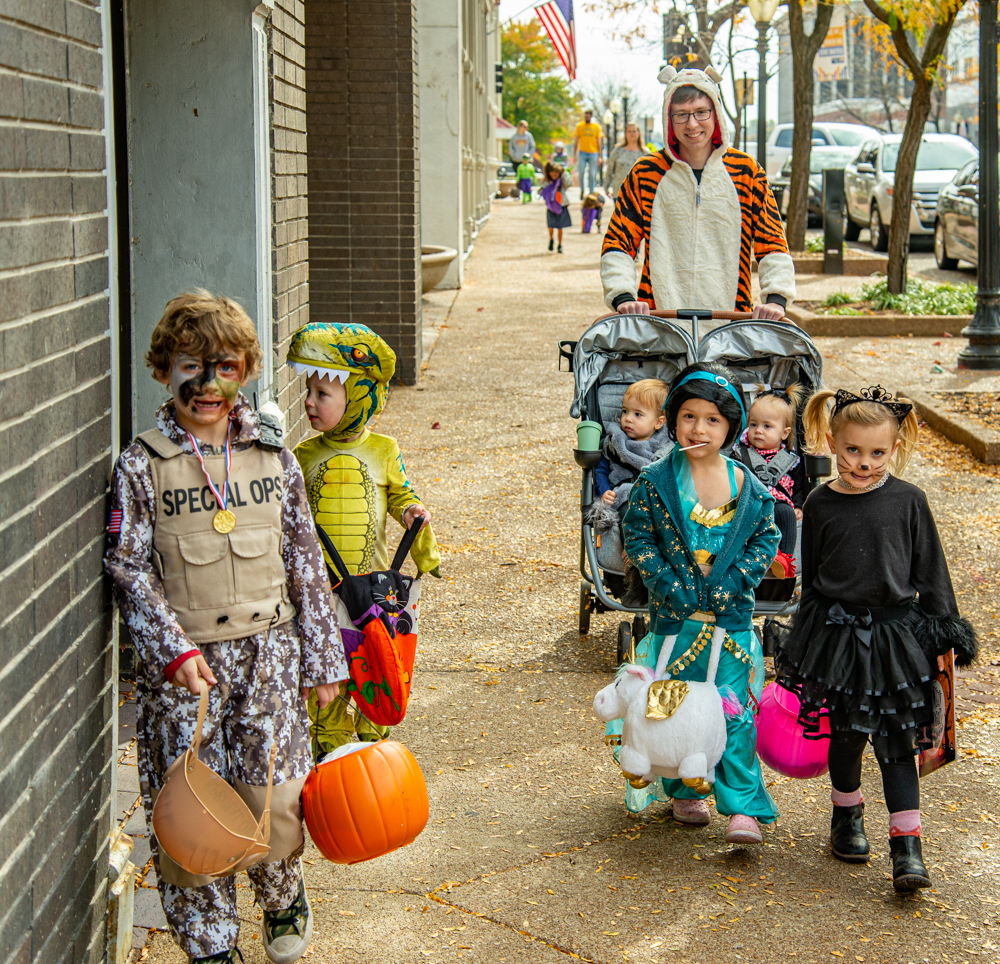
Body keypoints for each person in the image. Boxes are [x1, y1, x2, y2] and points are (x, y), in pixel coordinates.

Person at [105, 291, 347, 964]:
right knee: (193, 815)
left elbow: (304, 559)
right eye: (190, 365)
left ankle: (282, 895)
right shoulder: (142, 464)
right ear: (163, 369)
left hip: (269, 659)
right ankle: (211, 946)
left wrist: (324, 661)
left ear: (244, 373)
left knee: (272, 797)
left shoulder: (273, 457)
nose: (207, 384)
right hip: (189, 675)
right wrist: (170, 650)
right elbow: (127, 568)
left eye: (225, 367)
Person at [776, 385, 978, 892]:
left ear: (894, 449)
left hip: (895, 639)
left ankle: (907, 847)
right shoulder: (820, 503)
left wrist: (943, 632)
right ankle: (846, 818)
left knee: (896, 744)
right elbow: (814, 575)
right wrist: (809, 640)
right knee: (844, 737)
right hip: (837, 637)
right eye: (852, 451)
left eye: (877, 453)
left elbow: (931, 571)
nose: (863, 463)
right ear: (831, 440)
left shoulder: (910, 500)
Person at [610, 363, 780, 840]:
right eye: (688, 416)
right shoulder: (654, 482)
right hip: (674, 620)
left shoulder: (748, 486)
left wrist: (739, 580)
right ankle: (685, 791)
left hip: (731, 623)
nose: (699, 428)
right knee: (672, 704)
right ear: (671, 418)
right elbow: (638, 537)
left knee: (731, 712)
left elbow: (766, 538)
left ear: (731, 427)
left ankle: (742, 806)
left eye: (712, 419)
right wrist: (666, 582)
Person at [286, 322, 440, 758]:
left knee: (377, 674)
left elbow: (401, 492)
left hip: (373, 593)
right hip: (321, 596)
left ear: (355, 397)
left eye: (323, 394)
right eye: (309, 392)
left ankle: (375, 755)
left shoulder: (384, 450)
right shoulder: (301, 456)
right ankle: (330, 759)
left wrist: (411, 512)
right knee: (326, 686)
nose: (309, 402)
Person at [601, 65, 794, 330]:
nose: (692, 124)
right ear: (669, 119)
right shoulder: (646, 173)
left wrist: (776, 299)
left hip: (730, 325)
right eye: (681, 115)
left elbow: (772, 244)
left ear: (716, 114)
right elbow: (618, 242)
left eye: (701, 112)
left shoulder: (747, 173)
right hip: (660, 323)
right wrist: (623, 295)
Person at [735, 385, 805, 577]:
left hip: (778, 503)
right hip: (750, 501)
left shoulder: (791, 460)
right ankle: (743, 555)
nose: (758, 431)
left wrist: (798, 505)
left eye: (767, 426)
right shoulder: (740, 453)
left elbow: (799, 486)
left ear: (784, 433)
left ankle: (783, 558)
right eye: (754, 424)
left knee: (787, 514)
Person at [603, 122, 649, 199]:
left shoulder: (645, 153)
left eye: (634, 131)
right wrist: (606, 188)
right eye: (629, 131)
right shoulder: (617, 151)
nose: (632, 134)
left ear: (638, 133)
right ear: (625, 133)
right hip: (620, 192)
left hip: (639, 195)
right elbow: (610, 170)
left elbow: (649, 174)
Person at [540, 161, 572, 253]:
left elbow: (569, 183)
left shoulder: (561, 181)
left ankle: (560, 245)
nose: (554, 177)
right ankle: (551, 239)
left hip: (561, 205)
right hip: (551, 207)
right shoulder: (547, 182)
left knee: (560, 227)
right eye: (552, 175)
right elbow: (541, 190)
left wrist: (564, 172)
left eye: (556, 175)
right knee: (550, 226)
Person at [573, 109, 603, 198]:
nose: (587, 117)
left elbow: (599, 142)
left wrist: (600, 156)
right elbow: (576, 141)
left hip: (593, 153)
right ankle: (582, 190)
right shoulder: (579, 126)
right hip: (582, 153)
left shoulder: (596, 127)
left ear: (591, 116)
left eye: (588, 116)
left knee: (592, 173)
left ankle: (591, 191)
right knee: (581, 172)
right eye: (585, 116)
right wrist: (575, 154)